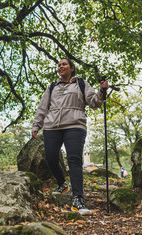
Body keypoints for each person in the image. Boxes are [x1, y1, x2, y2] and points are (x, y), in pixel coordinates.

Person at [31, 58, 109, 215]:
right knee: (51, 157)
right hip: (52, 125)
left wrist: (102, 91)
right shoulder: (52, 86)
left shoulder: (81, 83)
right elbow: (42, 107)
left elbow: (95, 102)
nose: (60, 66)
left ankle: (78, 200)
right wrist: (36, 125)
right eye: (59, 65)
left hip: (75, 125)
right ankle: (62, 183)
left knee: (74, 160)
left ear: (72, 68)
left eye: (64, 64)